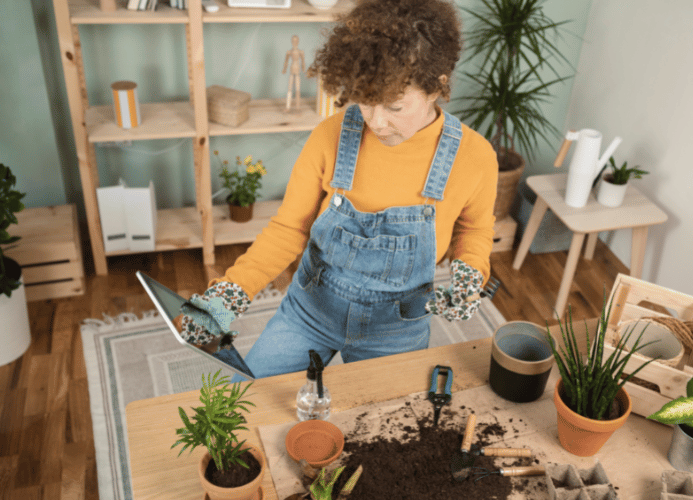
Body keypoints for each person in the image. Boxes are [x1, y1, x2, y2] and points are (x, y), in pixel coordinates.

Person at [180, 0, 498, 379]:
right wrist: (231, 291)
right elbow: (288, 229)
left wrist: (469, 275)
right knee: (242, 400)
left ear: (438, 86)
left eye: (395, 106)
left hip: (396, 331)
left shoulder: (474, 156)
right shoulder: (331, 136)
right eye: (365, 100)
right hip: (310, 311)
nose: (376, 121)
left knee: (385, 429)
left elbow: (475, 231)